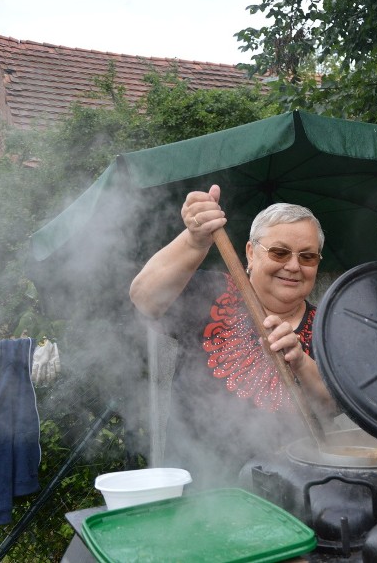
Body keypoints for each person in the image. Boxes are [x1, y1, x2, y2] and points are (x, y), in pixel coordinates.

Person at [129, 185, 335, 488]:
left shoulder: (328, 327)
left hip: (292, 493)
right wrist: (194, 240)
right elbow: (143, 298)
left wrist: (301, 362)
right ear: (251, 253)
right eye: (279, 252)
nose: (293, 266)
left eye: (308, 257)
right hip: (198, 486)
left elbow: (334, 405)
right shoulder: (211, 293)